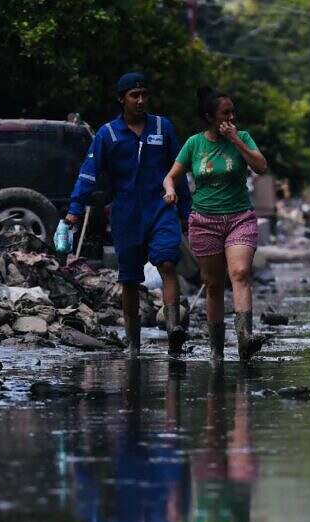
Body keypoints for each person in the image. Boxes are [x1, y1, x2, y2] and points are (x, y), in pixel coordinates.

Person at [68, 72, 191, 358]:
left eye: (144, 95)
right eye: (134, 96)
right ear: (121, 99)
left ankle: (173, 328)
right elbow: (88, 174)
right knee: (130, 279)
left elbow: (179, 170)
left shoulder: (163, 127)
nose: (140, 100)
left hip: (161, 208)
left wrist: (186, 210)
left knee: (168, 263)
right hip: (125, 213)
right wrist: (75, 209)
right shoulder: (107, 134)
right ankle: (133, 343)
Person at [163, 87, 270, 363]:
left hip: (240, 218)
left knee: (241, 272)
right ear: (210, 117)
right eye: (226, 114)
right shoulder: (194, 144)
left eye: (233, 113)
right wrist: (170, 190)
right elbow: (171, 176)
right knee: (213, 285)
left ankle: (245, 338)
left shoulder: (242, 137)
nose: (232, 118)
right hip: (204, 221)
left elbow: (261, 167)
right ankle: (216, 350)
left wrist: (236, 141)